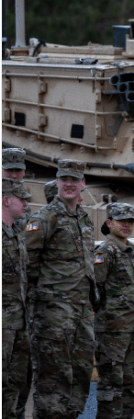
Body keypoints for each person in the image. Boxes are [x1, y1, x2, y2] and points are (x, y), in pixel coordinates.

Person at [24, 159, 97, 419]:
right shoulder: (44, 218)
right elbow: (27, 264)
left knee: (80, 376)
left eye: (74, 180)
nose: (69, 184)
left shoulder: (84, 219)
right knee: (53, 381)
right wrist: (41, 304)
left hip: (81, 313)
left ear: (82, 184)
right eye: (64, 179)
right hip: (53, 314)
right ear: (57, 183)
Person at [94, 203, 134, 419]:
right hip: (112, 334)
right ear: (109, 223)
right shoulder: (105, 252)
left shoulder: (133, 252)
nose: (126, 225)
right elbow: (93, 290)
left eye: (130, 221)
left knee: (131, 386)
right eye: (121, 221)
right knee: (111, 387)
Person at [2, 148, 34, 419]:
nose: (14, 174)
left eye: (18, 170)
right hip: (5, 320)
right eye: (8, 169)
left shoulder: (22, 213)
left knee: (19, 382)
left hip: (21, 315)